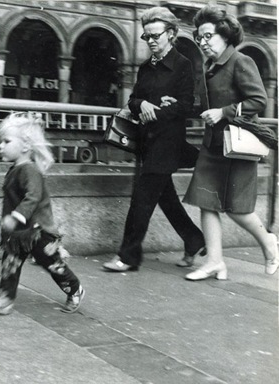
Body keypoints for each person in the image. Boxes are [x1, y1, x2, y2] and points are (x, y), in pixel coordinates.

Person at [103, 7, 206, 272]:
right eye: (146, 36)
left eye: (155, 35)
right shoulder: (145, 67)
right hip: (148, 143)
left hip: (168, 143)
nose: (150, 41)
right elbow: (133, 99)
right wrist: (144, 104)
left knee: (142, 198)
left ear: (171, 34)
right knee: (166, 197)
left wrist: (158, 110)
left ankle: (128, 257)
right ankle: (194, 240)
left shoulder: (183, 64)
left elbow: (188, 105)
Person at [183, 5, 279, 281]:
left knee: (238, 209)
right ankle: (215, 262)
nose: (202, 42)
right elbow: (207, 103)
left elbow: (258, 100)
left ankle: (269, 243)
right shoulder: (209, 67)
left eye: (208, 36)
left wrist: (223, 112)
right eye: (199, 37)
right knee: (206, 201)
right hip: (214, 144)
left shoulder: (240, 61)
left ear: (224, 35)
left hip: (238, 145)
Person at [0, 112, 85, 314]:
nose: (0, 146)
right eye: (0, 142)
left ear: (26, 146)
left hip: (38, 231)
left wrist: (15, 217)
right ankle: (5, 299)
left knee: (53, 265)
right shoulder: (15, 169)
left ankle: (74, 288)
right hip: (20, 233)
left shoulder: (29, 170)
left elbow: (33, 197)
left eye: (6, 141)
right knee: (10, 264)